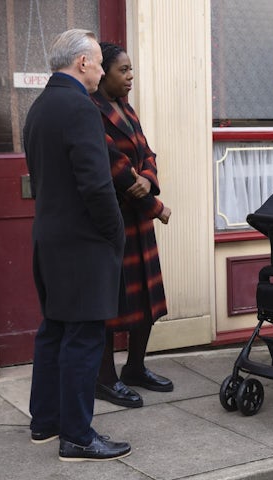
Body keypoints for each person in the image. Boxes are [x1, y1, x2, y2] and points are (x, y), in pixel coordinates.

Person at [23, 29, 131, 461]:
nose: (104, 70)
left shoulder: (40, 108)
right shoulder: (80, 108)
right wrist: (114, 233)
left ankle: (45, 424)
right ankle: (78, 437)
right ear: (83, 63)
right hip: (84, 244)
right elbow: (96, 185)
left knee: (54, 330)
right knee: (84, 339)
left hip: (48, 240)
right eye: (99, 62)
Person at [89, 42, 173, 408]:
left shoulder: (127, 108)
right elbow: (114, 165)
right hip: (115, 219)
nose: (130, 77)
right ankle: (105, 379)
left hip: (138, 218)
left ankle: (135, 368)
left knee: (147, 300)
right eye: (123, 70)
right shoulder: (91, 110)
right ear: (103, 72)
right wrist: (155, 205)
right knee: (112, 301)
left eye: (131, 70)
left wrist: (149, 180)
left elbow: (146, 154)